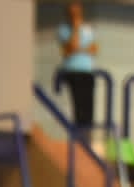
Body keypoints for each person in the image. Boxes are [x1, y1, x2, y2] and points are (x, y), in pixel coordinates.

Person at [55, 3, 97, 131]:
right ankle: (78, 136)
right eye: (73, 13)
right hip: (73, 72)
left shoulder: (88, 28)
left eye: (77, 12)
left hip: (88, 72)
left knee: (89, 108)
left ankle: (87, 135)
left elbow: (94, 49)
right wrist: (76, 28)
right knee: (79, 108)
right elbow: (72, 46)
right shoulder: (64, 29)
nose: (75, 15)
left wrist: (78, 49)